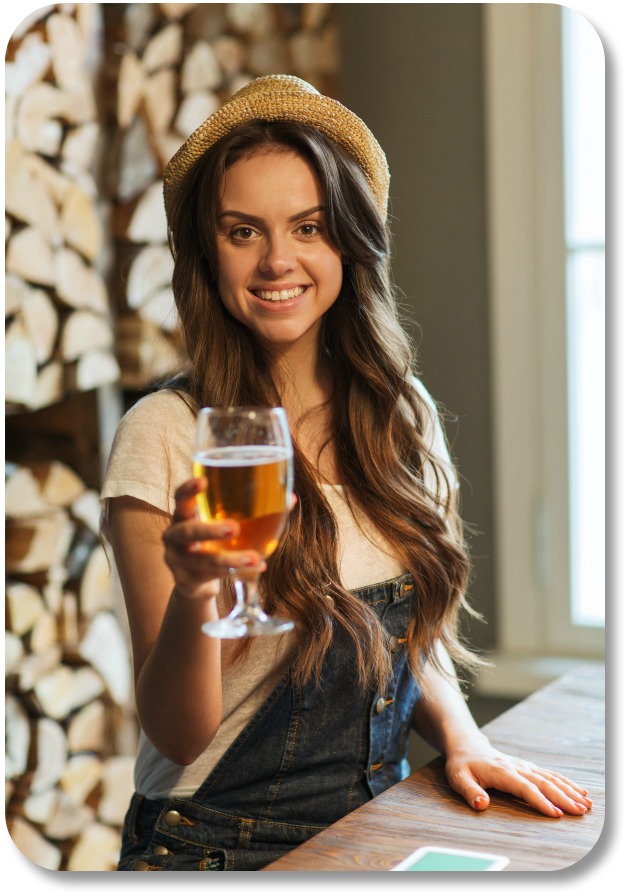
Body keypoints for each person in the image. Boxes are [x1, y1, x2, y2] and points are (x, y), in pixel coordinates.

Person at [101, 74, 591, 872]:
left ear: (349, 240)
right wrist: (199, 592)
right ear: (207, 251)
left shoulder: (401, 414)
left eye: (309, 226)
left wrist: (464, 741)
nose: (277, 261)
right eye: (242, 231)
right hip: (213, 847)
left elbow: (403, 638)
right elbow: (178, 733)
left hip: (376, 823)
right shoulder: (164, 435)